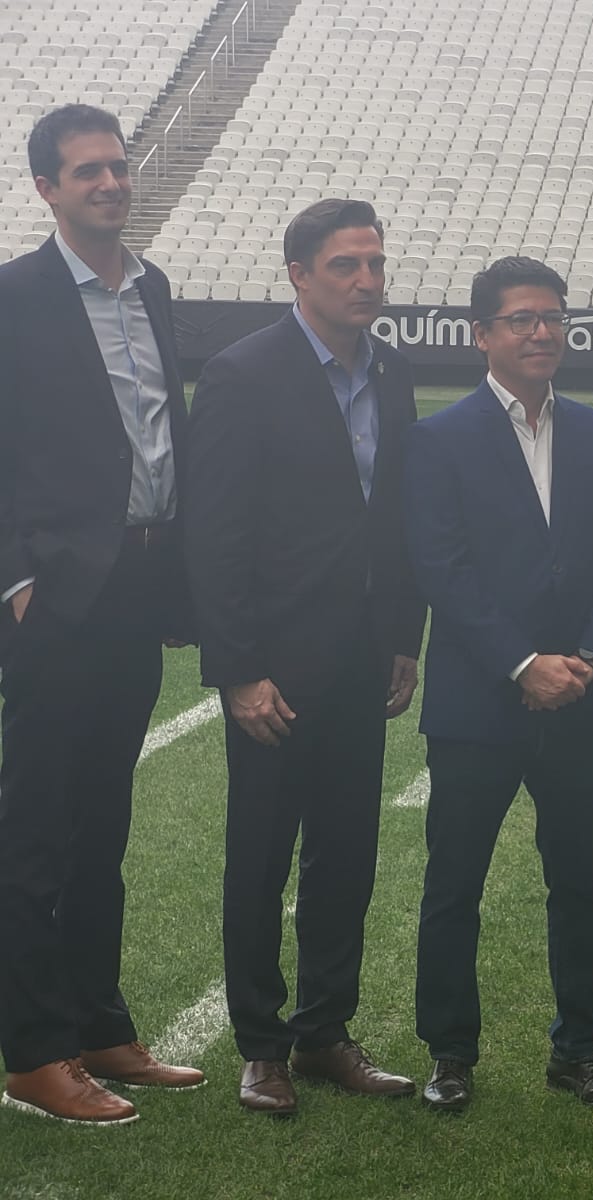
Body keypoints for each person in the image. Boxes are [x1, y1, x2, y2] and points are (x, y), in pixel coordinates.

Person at [185, 198, 425, 1116]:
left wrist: (402, 637)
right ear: (298, 276)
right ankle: (261, 1045)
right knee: (260, 858)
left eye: (375, 263)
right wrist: (238, 670)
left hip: (362, 661)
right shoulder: (242, 374)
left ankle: (325, 1032)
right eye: (345, 266)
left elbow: (394, 519)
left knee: (346, 853)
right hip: (275, 671)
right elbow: (214, 534)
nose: (367, 281)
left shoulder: (392, 372)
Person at [0, 104, 204, 1126]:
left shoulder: (151, 287)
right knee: (37, 826)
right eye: (87, 171)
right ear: (47, 188)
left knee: (102, 822)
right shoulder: (15, 296)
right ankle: (34, 1052)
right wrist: (14, 579)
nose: (111, 183)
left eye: (118, 167)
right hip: (57, 594)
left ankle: (97, 1024)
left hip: (138, 583)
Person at [405, 257, 593, 1113]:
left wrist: (589, 659)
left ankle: (579, 1051)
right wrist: (521, 664)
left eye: (553, 317)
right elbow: (443, 569)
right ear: (482, 335)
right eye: (521, 319)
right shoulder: (439, 437)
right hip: (477, 702)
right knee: (454, 884)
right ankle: (450, 1054)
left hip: (578, 695)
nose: (542, 332)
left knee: (580, 884)